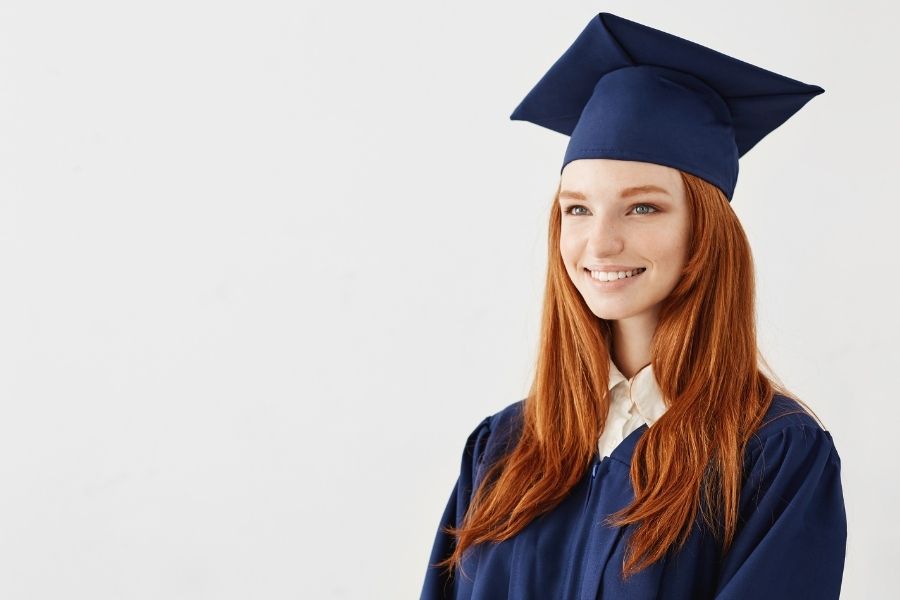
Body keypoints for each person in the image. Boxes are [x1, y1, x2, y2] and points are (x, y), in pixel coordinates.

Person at [419, 12, 847, 600]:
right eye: (578, 209)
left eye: (642, 207)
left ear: (705, 230)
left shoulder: (771, 455)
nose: (600, 243)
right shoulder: (505, 446)